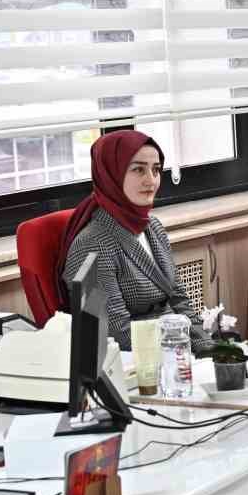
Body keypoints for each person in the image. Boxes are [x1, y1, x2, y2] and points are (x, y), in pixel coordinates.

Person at [57, 130, 208, 351]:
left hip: (177, 348)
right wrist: (183, 348)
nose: (151, 180)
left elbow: (178, 298)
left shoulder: (153, 226)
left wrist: (207, 347)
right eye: (138, 169)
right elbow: (117, 333)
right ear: (111, 175)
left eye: (156, 170)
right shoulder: (93, 245)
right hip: (140, 358)